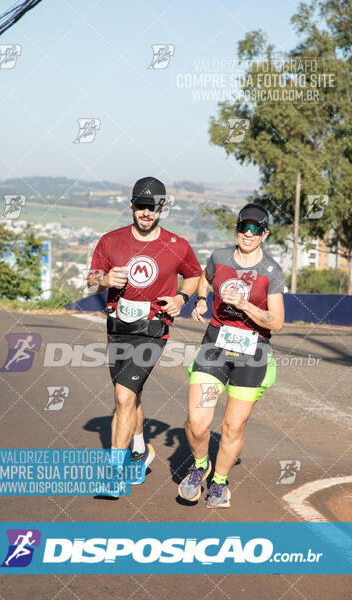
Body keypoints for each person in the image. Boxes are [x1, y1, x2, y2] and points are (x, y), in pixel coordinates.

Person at [88, 176, 202, 484]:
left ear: (162, 207)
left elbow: (194, 275)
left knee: (123, 397)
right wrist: (104, 280)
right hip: (117, 326)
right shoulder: (110, 241)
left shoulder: (177, 245)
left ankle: (113, 472)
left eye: (152, 207)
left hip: (154, 328)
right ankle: (140, 451)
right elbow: (91, 277)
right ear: (131, 205)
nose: (146, 213)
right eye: (141, 206)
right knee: (129, 394)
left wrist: (182, 297)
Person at [178, 203, 286, 508]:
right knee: (197, 422)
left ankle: (220, 482)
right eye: (244, 227)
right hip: (215, 346)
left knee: (232, 426)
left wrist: (246, 306)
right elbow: (205, 277)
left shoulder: (271, 272)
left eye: (255, 229)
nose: (248, 234)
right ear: (236, 229)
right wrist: (201, 301)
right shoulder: (220, 257)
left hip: (252, 353)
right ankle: (200, 466)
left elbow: (276, 322)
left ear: (264, 234)